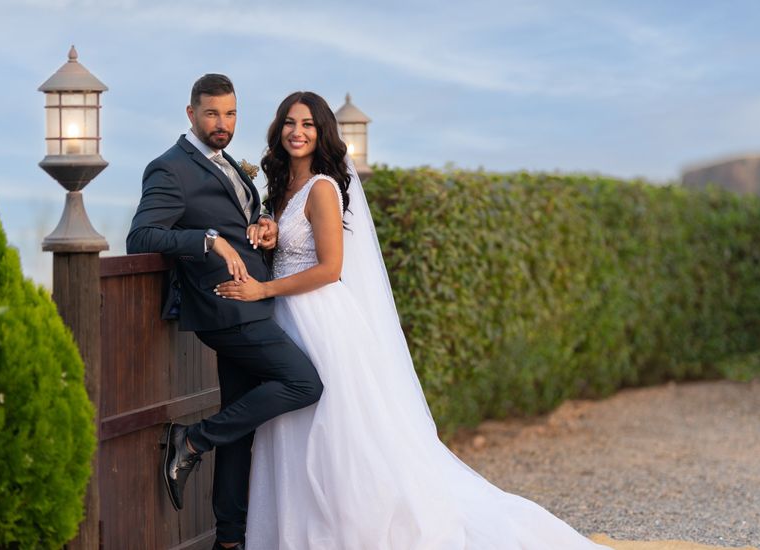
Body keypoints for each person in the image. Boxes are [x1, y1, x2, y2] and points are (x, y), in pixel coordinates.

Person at [214, 91, 613, 549]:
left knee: (335, 435)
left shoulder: (323, 187)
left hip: (319, 320)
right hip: (286, 318)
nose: (296, 132)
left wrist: (263, 289)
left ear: (322, 131)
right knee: (291, 431)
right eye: (289, 122)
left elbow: (329, 269)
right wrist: (267, 234)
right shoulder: (281, 189)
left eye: (307, 124)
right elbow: (288, 248)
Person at [126, 74, 323, 550]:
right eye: (212, 113)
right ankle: (192, 441)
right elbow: (142, 237)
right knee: (304, 383)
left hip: (253, 304)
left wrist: (264, 225)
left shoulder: (228, 162)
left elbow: (238, 218)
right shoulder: (169, 168)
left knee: (241, 425)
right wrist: (205, 240)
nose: (223, 123)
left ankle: (229, 540)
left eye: (230, 113)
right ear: (191, 113)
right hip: (224, 311)